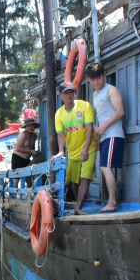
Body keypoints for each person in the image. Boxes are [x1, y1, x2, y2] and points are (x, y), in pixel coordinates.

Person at [86, 62, 125, 212]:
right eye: (93, 79)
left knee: (105, 167)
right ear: (89, 80)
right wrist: (97, 138)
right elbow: (100, 118)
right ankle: (111, 201)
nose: (96, 81)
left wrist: (103, 127)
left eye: (98, 77)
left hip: (113, 135)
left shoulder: (111, 90)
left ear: (104, 76)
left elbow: (120, 111)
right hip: (104, 137)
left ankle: (112, 202)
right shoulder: (95, 95)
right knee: (105, 168)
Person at [54, 82, 97, 215]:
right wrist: (61, 151)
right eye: (66, 93)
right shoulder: (59, 114)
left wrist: (86, 148)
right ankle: (72, 201)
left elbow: (89, 128)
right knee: (73, 181)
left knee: (85, 177)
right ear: (60, 95)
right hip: (72, 152)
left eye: (71, 92)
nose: (69, 95)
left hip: (89, 147)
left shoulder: (85, 106)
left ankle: (78, 208)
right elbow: (61, 134)